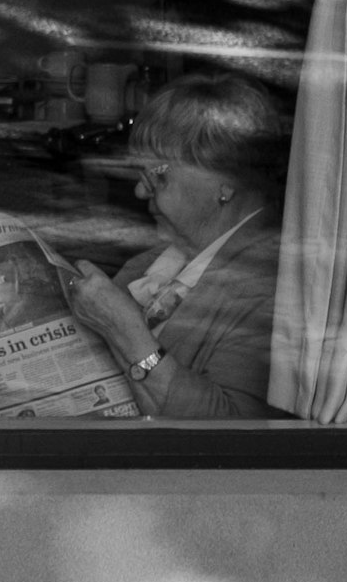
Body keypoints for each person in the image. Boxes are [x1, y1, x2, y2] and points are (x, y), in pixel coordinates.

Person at [50, 72, 291, 419]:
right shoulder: (149, 266)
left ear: (224, 183)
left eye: (158, 176)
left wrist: (125, 331)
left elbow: (233, 436)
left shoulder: (268, 285)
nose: (139, 191)